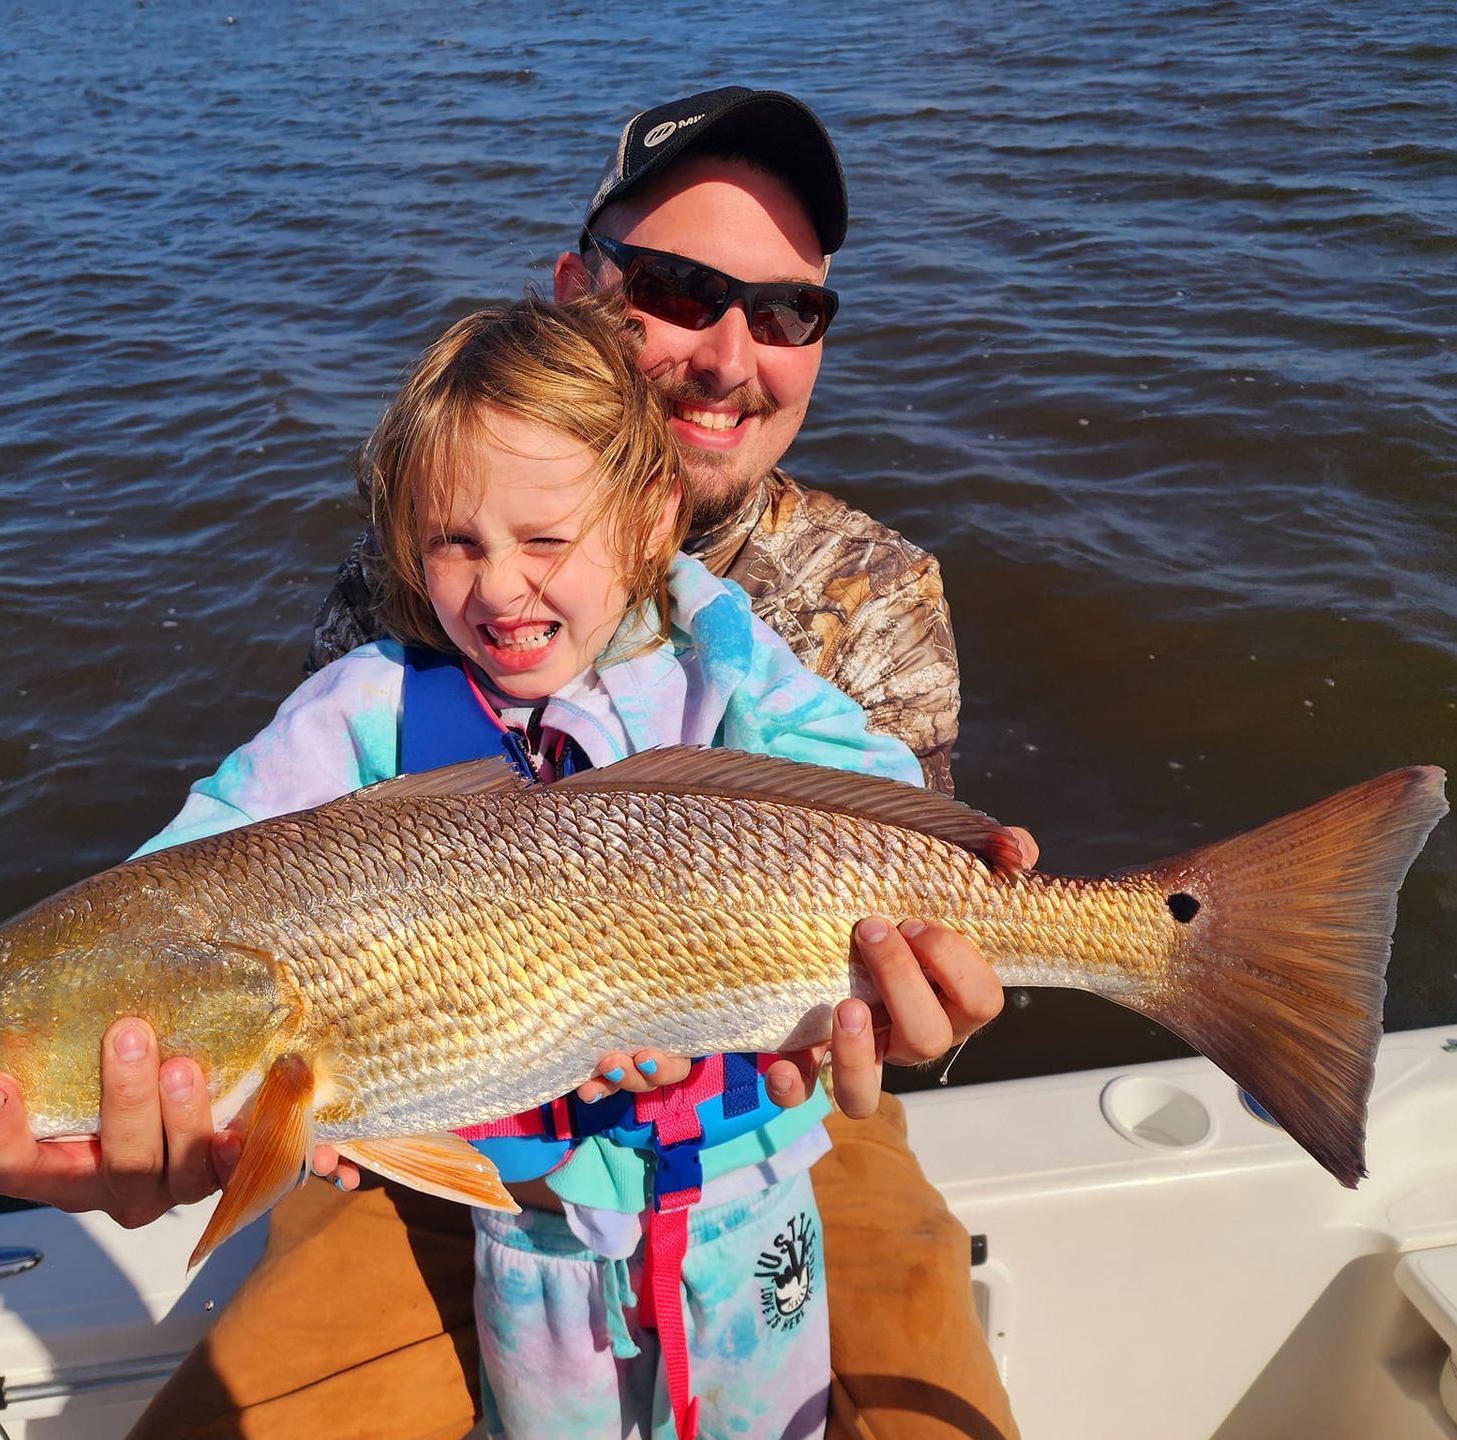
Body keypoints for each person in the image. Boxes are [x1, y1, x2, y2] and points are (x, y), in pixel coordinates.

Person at [0, 87, 1028, 1440]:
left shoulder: (870, 591)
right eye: (678, 288)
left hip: (779, 1124)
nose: (725, 352)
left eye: (785, 311)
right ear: (581, 290)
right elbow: (248, 883)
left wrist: (914, 996)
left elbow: (904, 894)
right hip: (444, 1113)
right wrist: (122, 1070)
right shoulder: (406, 598)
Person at [130, 290, 925, 1439]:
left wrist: (964, 900)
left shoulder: (732, 671)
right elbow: (190, 871)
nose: (500, 586)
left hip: (752, 1200)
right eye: (454, 542)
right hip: (531, 1230)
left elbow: (887, 802)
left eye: (547, 541)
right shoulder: (360, 712)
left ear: (651, 519)